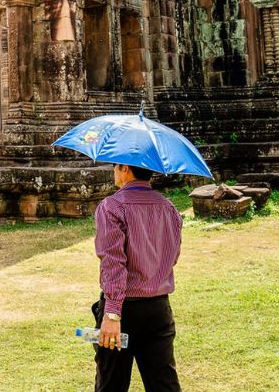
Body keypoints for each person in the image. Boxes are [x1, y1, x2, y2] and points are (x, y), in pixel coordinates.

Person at [92, 164, 183, 392]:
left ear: (124, 168)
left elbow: (113, 263)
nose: (113, 172)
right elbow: (172, 256)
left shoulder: (112, 207)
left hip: (123, 311)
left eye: (115, 166)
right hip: (158, 308)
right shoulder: (169, 209)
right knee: (164, 385)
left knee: (111, 384)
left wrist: (112, 313)